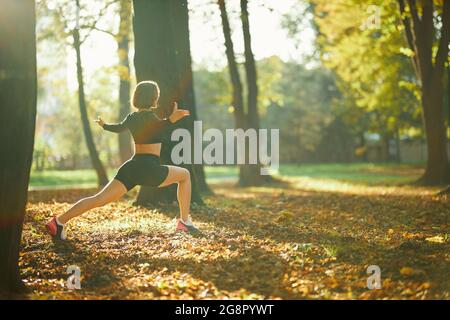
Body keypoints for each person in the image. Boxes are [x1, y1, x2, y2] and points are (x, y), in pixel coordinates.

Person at [46, 81, 199, 240]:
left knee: (98, 199)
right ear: (153, 98)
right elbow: (159, 125)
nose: (157, 98)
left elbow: (118, 128)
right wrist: (172, 119)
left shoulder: (132, 118)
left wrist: (104, 125)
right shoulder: (151, 117)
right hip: (150, 169)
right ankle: (184, 222)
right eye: (156, 96)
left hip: (131, 168)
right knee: (185, 175)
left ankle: (58, 221)